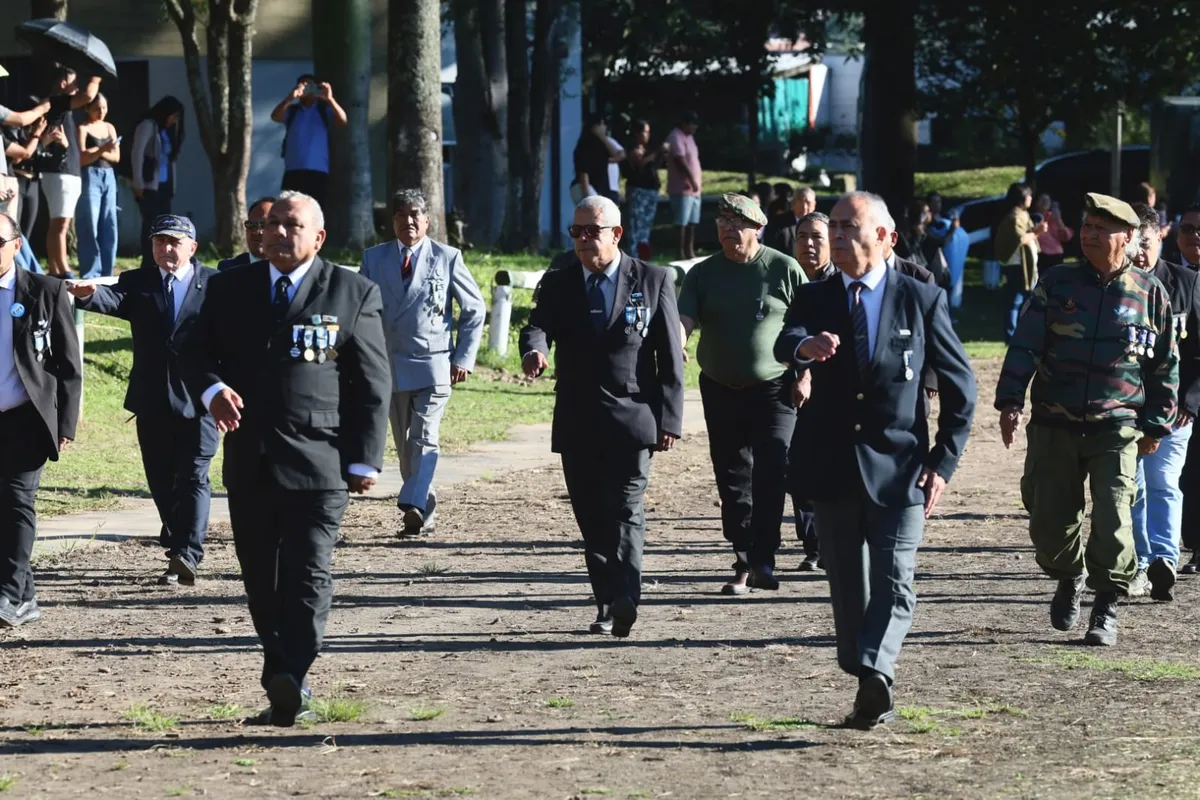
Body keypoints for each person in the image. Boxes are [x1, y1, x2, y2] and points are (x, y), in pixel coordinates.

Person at [181, 191, 390, 725]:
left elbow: (371, 384)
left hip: (320, 463)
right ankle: (283, 678)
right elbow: (189, 348)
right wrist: (211, 391)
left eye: (289, 225)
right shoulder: (230, 288)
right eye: (269, 224)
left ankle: (292, 672)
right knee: (261, 579)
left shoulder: (351, 291)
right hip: (251, 461)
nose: (275, 233)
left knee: (308, 573)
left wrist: (365, 459)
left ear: (318, 237)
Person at [772, 191, 976, 728]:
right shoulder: (815, 296)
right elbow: (785, 340)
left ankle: (877, 675)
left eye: (849, 226)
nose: (837, 235)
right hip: (833, 467)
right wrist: (804, 348)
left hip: (902, 468)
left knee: (894, 578)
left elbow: (961, 389)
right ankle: (864, 670)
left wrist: (943, 462)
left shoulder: (921, 298)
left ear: (884, 237)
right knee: (849, 586)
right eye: (833, 225)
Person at [995, 193, 1178, 648]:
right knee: (1049, 521)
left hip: (1116, 426)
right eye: (1087, 227)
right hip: (1054, 421)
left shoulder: (1150, 292)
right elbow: (1026, 343)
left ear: (1129, 239)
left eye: (1102, 229)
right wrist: (1010, 401)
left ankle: (1106, 606)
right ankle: (1068, 574)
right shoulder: (1058, 283)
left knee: (1116, 516)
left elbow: (1164, 365)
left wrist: (1155, 424)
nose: (1090, 235)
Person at [519, 196, 685, 638]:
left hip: (633, 418)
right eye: (576, 232)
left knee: (626, 509)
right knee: (591, 517)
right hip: (577, 417)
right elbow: (537, 325)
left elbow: (671, 356)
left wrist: (670, 419)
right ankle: (607, 602)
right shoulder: (559, 279)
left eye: (592, 231)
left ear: (617, 233)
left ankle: (627, 595)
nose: (583, 240)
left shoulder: (652, 279)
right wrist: (534, 349)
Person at [67, 215, 218, 585]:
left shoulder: (216, 283)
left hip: (200, 398)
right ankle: (178, 536)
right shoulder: (139, 280)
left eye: (174, 242)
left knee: (194, 475)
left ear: (192, 248)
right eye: (159, 241)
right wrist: (88, 294)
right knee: (162, 478)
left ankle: (188, 553)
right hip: (151, 397)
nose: (166, 249)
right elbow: (114, 298)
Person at [678, 193, 806, 593]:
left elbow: (807, 326)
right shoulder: (703, 273)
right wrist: (676, 340)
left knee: (772, 468)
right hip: (720, 389)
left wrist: (805, 374)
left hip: (775, 389)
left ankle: (764, 558)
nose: (728, 230)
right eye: (722, 223)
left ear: (758, 228)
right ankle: (743, 557)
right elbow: (685, 318)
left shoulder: (784, 269)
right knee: (733, 478)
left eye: (738, 223)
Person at [360, 189, 485, 537]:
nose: (409, 221)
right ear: (393, 221)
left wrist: (463, 357)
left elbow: (474, 308)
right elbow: (363, 311)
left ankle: (412, 501)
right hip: (390, 364)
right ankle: (422, 510)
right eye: (401, 215)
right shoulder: (374, 258)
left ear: (428, 221)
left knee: (425, 436)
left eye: (416, 215)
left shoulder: (446, 257)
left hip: (434, 363)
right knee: (404, 447)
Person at [0, 211, 82, 626]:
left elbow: (69, 364)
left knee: (17, 503)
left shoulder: (45, 291)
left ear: (16, 245)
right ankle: (25, 595)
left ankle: (9, 596)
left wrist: (65, 422)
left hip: (25, 417)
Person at [1127, 203, 1200, 601]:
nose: (1140, 251)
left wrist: (1190, 401)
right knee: (1133, 486)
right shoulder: (1119, 284)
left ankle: (1164, 560)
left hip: (1175, 408)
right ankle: (1139, 563)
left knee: (1164, 482)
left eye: (1147, 241)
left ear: (1161, 237)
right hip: (1129, 407)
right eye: (1134, 242)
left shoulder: (1185, 282)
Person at [789, 211, 834, 571]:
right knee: (798, 467)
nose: (808, 244)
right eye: (802, 236)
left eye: (817, 237)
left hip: (832, 390)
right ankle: (813, 545)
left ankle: (830, 541)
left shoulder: (840, 287)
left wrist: (808, 373)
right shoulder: (785, 280)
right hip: (785, 388)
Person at [40, 66, 102, 278]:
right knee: (60, 223)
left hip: (67, 172)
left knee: (60, 223)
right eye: (75, 84)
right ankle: (61, 268)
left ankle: (56, 269)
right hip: (59, 172)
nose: (77, 89)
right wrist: (96, 76)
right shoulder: (56, 101)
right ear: (63, 84)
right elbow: (88, 96)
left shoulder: (61, 107)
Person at [271, 75, 348, 209]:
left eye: (311, 86)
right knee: (289, 207)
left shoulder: (324, 111)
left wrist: (329, 99)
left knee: (316, 209)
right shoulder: (293, 111)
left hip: (318, 170)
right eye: (304, 86)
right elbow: (275, 116)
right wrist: (291, 97)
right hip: (293, 170)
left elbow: (343, 120)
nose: (308, 90)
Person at [130, 96, 186, 266]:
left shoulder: (166, 132)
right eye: (173, 116)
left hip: (165, 186)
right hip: (149, 185)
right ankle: (148, 262)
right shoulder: (148, 125)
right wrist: (138, 182)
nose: (174, 121)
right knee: (151, 225)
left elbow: (170, 160)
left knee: (165, 226)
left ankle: (160, 261)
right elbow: (137, 153)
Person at [995, 183, 1048, 343]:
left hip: (1025, 265)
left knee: (1025, 301)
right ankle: (1011, 336)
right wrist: (1037, 232)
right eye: (1029, 195)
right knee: (1015, 301)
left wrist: (1036, 231)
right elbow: (1020, 239)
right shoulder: (1015, 216)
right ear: (1022, 198)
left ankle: (1022, 335)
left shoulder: (1023, 214)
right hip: (1017, 265)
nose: (1031, 198)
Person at [76, 94, 120, 279]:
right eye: (97, 108)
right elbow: (82, 157)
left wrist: (95, 152)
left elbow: (116, 157)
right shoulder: (83, 128)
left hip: (108, 175)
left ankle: (107, 271)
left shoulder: (109, 127)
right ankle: (91, 272)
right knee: (89, 224)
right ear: (87, 108)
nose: (101, 112)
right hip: (89, 176)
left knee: (109, 223)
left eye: (104, 107)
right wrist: (102, 150)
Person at [623, 120, 666, 261]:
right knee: (635, 226)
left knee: (645, 227)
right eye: (645, 132)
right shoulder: (633, 148)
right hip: (638, 191)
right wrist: (656, 152)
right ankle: (633, 258)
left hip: (651, 190)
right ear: (637, 133)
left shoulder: (647, 149)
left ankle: (643, 256)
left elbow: (653, 166)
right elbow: (639, 162)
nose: (648, 135)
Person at [666, 111, 702, 260]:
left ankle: (690, 250)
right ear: (684, 124)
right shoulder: (676, 136)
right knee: (681, 222)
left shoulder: (690, 138)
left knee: (692, 221)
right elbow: (680, 160)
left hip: (694, 189)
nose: (694, 127)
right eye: (692, 124)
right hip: (682, 187)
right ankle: (679, 252)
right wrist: (691, 179)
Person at [570, 113, 621, 205]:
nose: (605, 127)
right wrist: (588, 197)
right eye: (602, 124)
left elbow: (616, 154)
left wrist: (602, 137)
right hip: (583, 187)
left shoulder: (603, 146)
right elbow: (583, 175)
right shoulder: (585, 147)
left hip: (597, 189)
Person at [218, 196, 277, 271]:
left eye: (264, 224)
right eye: (251, 224)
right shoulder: (228, 268)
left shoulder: (291, 270)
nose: (257, 232)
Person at [764, 186, 817, 257]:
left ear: (814, 205)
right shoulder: (778, 223)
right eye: (801, 201)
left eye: (808, 203)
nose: (805, 207)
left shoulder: (819, 225)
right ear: (793, 203)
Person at [1033, 194, 1073, 271]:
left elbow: (1066, 237)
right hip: (1041, 255)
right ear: (1036, 203)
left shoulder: (1054, 216)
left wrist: (1059, 219)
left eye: (1047, 200)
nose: (1045, 202)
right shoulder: (1033, 217)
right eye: (1042, 200)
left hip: (1056, 255)